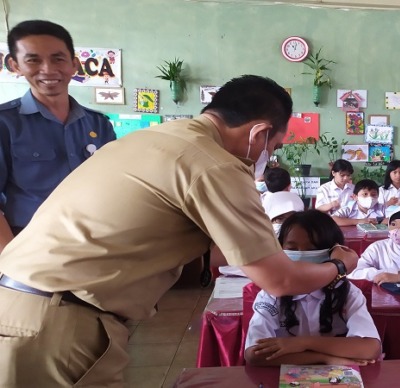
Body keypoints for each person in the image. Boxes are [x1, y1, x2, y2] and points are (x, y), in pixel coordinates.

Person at [0, 74, 359, 387]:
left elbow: (220, 252)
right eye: (275, 147)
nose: (268, 158)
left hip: (19, 301)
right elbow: (279, 282)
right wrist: (340, 266)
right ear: (259, 133)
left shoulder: (150, 139)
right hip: (58, 323)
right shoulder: (216, 165)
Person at [0, 20, 116, 250]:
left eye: (58, 59)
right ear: (15, 65)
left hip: (92, 241)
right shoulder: (5, 124)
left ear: (74, 64)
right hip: (28, 243)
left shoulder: (98, 124)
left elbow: (114, 186)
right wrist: (8, 261)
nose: (48, 69)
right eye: (33, 60)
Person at [245, 210, 381, 366]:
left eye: (312, 249)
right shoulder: (271, 294)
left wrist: (303, 343)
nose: (302, 255)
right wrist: (324, 358)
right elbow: (255, 354)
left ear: (334, 252)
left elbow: (370, 348)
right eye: (293, 249)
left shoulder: (347, 291)